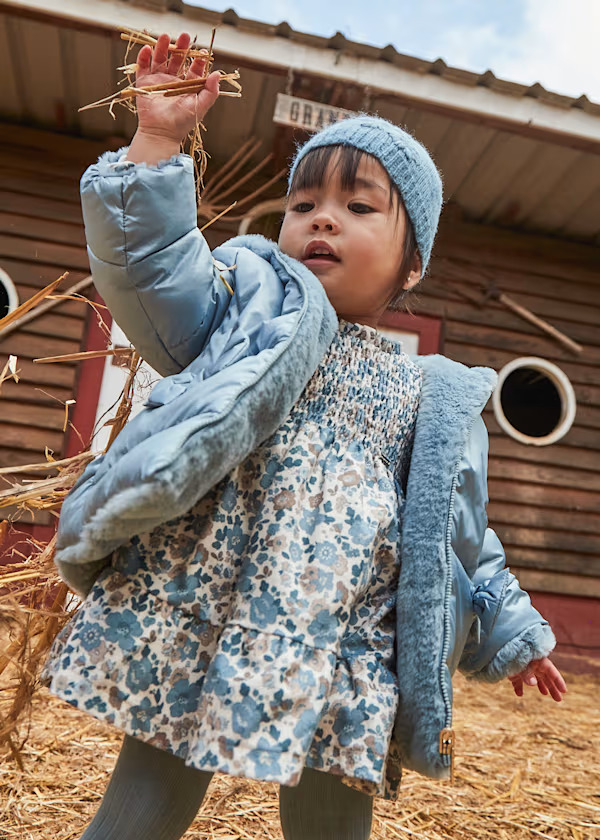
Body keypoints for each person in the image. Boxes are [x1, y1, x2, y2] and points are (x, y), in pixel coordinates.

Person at [41, 31, 567, 840]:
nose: (323, 217)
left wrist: (515, 629)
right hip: (206, 598)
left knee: (332, 798)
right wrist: (157, 142)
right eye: (303, 204)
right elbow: (153, 269)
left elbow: (458, 536)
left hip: (337, 639)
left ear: (412, 264)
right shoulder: (245, 313)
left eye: (359, 207)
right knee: (152, 778)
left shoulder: (431, 396)